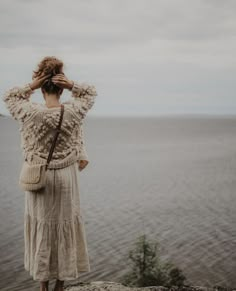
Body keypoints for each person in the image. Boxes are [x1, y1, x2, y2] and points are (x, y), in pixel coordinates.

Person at [2, 56, 97, 291]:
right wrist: (72, 84)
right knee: (64, 227)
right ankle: (60, 285)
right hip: (66, 177)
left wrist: (30, 86)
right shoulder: (74, 111)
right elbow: (90, 94)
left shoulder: (30, 113)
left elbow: (10, 97)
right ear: (61, 88)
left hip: (39, 178)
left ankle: (43, 286)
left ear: (41, 86)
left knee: (43, 227)